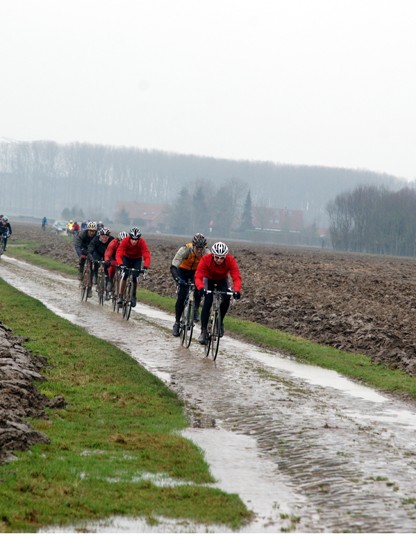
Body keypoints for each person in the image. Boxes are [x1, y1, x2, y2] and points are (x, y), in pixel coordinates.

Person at [194, 241, 242, 345]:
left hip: (222, 280)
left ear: (225, 256)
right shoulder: (206, 259)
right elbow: (198, 276)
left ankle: (220, 323)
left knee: (226, 298)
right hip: (209, 279)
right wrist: (201, 288)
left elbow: (236, 277)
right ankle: (203, 331)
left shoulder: (230, 260)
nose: (219, 260)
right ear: (212, 255)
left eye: (222, 258)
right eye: (217, 257)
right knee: (208, 301)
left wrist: (237, 290)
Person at [170, 233, 210, 337]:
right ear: (193, 245)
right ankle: (177, 323)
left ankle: (196, 308)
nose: (199, 251)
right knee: (182, 297)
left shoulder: (206, 252)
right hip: (182, 271)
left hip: (196, 272)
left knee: (198, 289)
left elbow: (209, 268)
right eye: (197, 248)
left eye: (201, 248)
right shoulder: (185, 249)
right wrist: (177, 279)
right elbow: (173, 266)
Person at [115, 227, 151, 307]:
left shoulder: (142, 242)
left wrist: (145, 267)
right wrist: (121, 264)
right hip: (126, 258)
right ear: (130, 237)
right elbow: (119, 253)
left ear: (139, 239)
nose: (134, 241)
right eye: (132, 239)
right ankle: (120, 296)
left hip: (136, 259)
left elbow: (146, 255)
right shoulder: (125, 241)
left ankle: (133, 295)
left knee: (135, 276)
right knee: (125, 275)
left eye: (136, 239)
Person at [104, 231, 128, 300]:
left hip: (123, 258)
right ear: (118, 240)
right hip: (113, 257)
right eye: (121, 241)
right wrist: (107, 260)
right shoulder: (113, 243)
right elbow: (108, 253)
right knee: (112, 268)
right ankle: (110, 281)